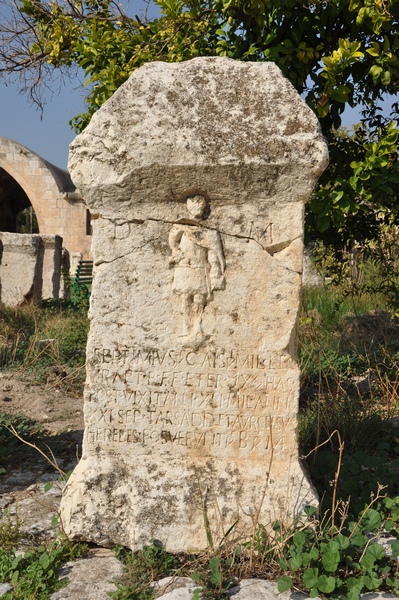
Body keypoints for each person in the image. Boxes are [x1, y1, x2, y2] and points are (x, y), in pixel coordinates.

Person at [169, 195, 225, 340]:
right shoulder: (180, 226)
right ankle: (185, 326)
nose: (198, 210)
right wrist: (178, 254)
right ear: (189, 207)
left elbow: (212, 252)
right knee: (185, 297)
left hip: (201, 267)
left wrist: (215, 269)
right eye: (195, 206)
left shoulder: (207, 231)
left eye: (201, 207)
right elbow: (173, 242)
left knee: (199, 298)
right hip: (185, 266)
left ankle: (198, 326)